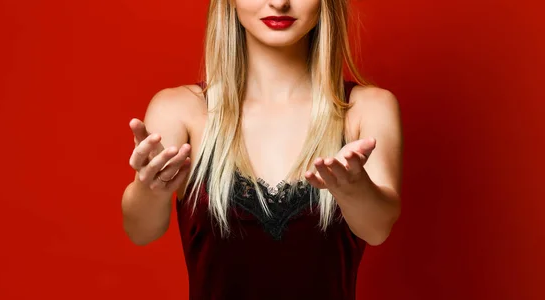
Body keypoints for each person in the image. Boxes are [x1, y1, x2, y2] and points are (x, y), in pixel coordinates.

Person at [121, 0, 402, 299]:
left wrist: (354, 189)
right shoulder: (179, 110)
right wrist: (150, 189)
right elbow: (141, 232)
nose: (279, 3)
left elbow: (377, 229)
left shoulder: (367, 108)